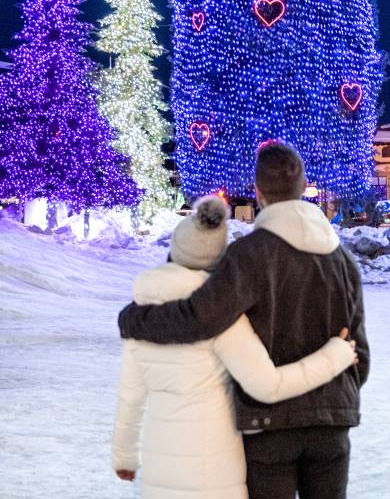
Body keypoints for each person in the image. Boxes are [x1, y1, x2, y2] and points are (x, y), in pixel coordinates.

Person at [119, 143, 369, 499]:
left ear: (258, 191)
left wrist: (136, 321)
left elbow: (200, 317)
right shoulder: (342, 261)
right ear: (304, 186)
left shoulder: (249, 256)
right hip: (333, 423)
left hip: (270, 429)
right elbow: (360, 352)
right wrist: (335, 398)